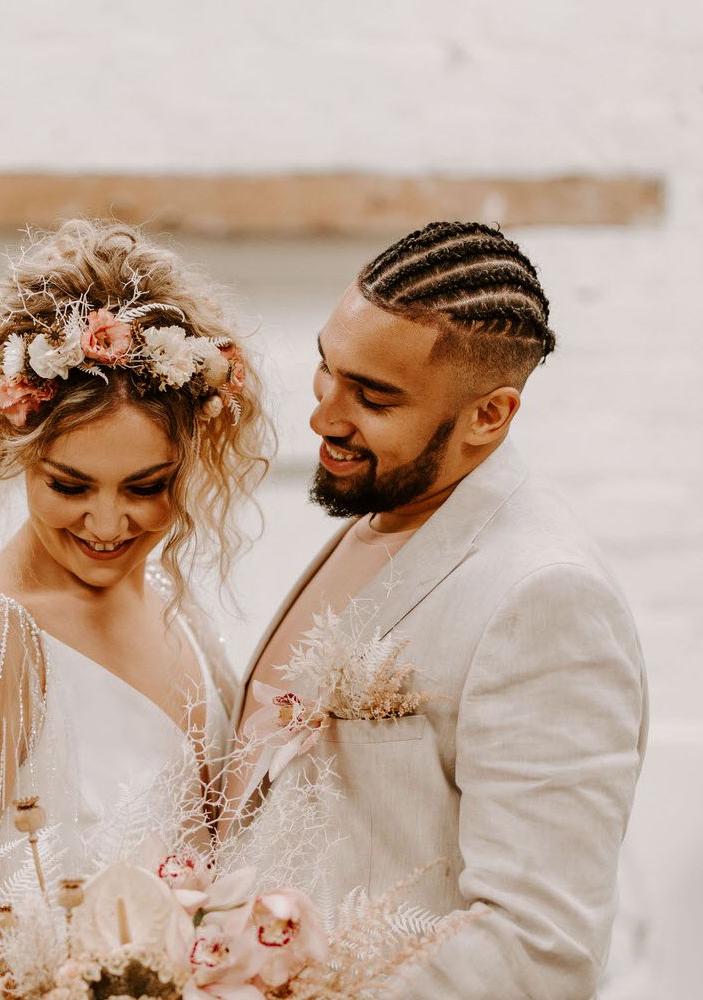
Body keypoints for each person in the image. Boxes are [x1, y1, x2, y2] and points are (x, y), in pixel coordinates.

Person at [0, 220, 269, 991]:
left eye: (147, 487)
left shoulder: (177, 611)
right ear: (19, 450)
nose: (107, 523)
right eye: (70, 485)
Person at [232, 222, 648, 999]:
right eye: (327, 369)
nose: (324, 417)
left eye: (374, 397)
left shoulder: (545, 597)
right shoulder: (389, 511)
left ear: (489, 415)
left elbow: (539, 950)